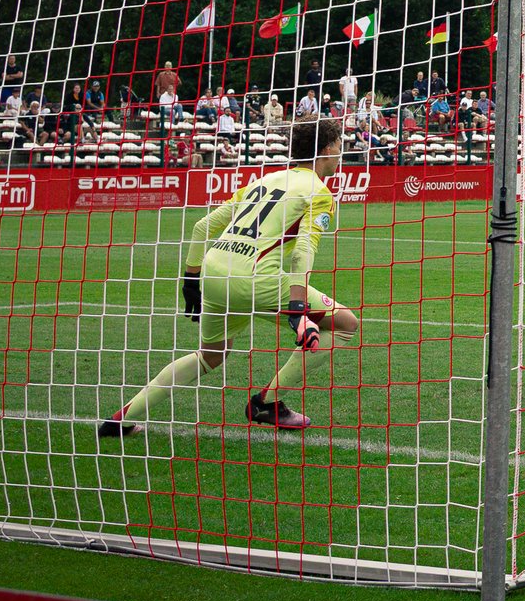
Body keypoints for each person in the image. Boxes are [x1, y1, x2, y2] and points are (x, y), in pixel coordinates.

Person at [100, 118, 357, 437]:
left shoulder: (264, 180)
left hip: (213, 271)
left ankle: (119, 421)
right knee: (346, 323)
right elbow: (303, 249)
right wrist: (297, 306)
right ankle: (268, 402)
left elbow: (201, 227)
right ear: (328, 149)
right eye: (339, 148)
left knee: (211, 354)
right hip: (254, 277)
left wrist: (190, 282)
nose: (340, 154)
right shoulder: (318, 191)